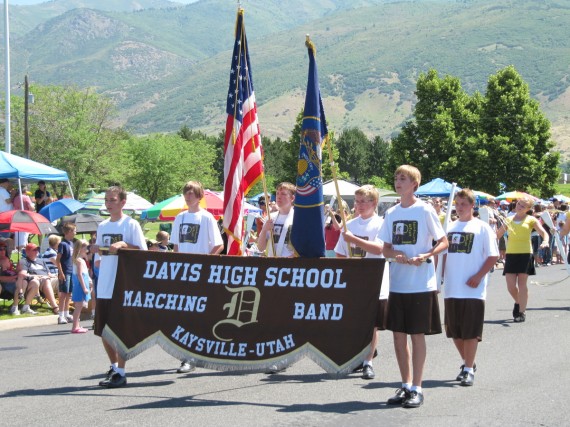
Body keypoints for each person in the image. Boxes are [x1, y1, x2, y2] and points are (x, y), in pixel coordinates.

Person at [379, 165, 448, 408]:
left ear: (414, 184)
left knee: (417, 336)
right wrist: (395, 254)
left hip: (421, 283)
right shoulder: (391, 213)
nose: (398, 181)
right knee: (399, 337)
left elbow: (443, 241)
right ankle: (405, 384)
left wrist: (426, 254)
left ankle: (418, 387)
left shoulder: (425, 210)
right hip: (397, 282)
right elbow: (385, 248)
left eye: (403, 178)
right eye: (397, 177)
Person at [92, 186, 147, 388]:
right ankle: (114, 367)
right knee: (104, 330)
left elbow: (142, 252)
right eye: (107, 200)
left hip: (123, 284)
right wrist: (97, 250)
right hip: (105, 282)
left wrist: (124, 245)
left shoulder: (130, 225)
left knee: (121, 329)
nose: (108, 203)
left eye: (113, 200)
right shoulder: (103, 226)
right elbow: (99, 260)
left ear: (123, 202)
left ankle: (122, 372)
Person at [443, 189, 499, 387]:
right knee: (455, 332)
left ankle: (467, 369)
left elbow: (493, 256)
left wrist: (478, 276)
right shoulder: (449, 227)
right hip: (451, 287)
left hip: (472, 289)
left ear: (472, 206)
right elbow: (443, 255)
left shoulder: (482, 228)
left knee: (470, 331)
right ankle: (469, 363)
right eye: (457, 204)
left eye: (463, 204)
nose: (459, 208)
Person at [335, 185, 389, 380]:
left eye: (363, 201)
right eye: (356, 201)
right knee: (357, 324)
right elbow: (340, 252)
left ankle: (368, 361)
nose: (358, 205)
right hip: (355, 282)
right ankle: (359, 356)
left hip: (375, 281)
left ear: (374, 203)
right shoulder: (350, 225)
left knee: (372, 324)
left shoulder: (382, 224)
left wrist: (354, 240)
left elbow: (379, 249)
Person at [171, 181, 224, 374]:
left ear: (199, 196)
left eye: (191, 193)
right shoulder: (180, 218)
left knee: (200, 313)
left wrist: (205, 263)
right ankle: (188, 355)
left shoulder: (207, 217)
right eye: (186, 193)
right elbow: (176, 246)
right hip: (184, 274)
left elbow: (219, 245)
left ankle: (198, 353)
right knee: (185, 314)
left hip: (201, 273)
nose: (188, 196)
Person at [496, 196, 549, 323]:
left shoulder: (531, 220)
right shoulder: (508, 220)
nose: (519, 207)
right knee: (510, 286)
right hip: (511, 254)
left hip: (525, 253)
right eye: (519, 204)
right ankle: (519, 302)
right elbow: (497, 235)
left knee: (522, 284)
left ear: (528, 209)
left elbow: (543, 233)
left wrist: (546, 241)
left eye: (523, 206)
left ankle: (521, 312)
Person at [16, 242, 59, 315]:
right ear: (27, 252)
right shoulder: (24, 261)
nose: (37, 251)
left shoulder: (41, 260)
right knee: (46, 281)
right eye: (34, 250)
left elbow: (49, 273)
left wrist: (56, 276)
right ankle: (55, 307)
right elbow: (24, 274)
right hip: (36, 281)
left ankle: (66, 306)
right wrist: (41, 276)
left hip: (48, 278)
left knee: (63, 280)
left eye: (37, 249)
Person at [257, 182, 296, 257]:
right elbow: (260, 248)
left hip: (291, 265)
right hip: (273, 264)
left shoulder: (298, 218)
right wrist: (265, 230)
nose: (279, 196)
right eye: (277, 193)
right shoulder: (270, 218)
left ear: (292, 198)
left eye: (283, 194)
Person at [55, 222, 77, 325]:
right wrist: (61, 272)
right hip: (64, 272)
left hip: (71, 271)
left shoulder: (71, 243)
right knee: (63, 294)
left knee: (69, 294)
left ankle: (67, 313)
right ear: (69, 232)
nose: (75, 232)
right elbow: (58, 259)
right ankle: (60, 316)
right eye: (74, 231)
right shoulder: (62, 244)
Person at [70, 239, 91, 334]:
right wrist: (84, 288)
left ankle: (77, 325)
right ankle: (75, 326)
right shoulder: (78, 260)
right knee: (79, 306)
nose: (87, 249)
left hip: (82, 283)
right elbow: (79, 274)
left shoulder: (80, 259)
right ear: (81, 248)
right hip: (80, 285)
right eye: (86, 247)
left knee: (80, 306)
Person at [12, 186, 35, 250]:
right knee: (24, 236)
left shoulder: (15, 198)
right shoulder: (26, 197)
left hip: (16, 217)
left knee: (18, 235)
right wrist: (33, 207)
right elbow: (31, 207)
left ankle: (19, 249)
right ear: (25, 191)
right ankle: (22, 250)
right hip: (24, 218)